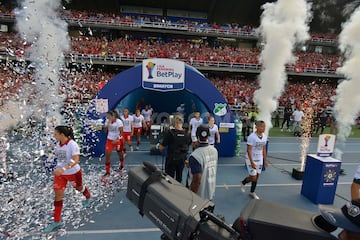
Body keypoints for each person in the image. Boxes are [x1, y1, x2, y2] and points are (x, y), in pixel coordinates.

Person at [44, 125, 91, 233]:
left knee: (79, 188)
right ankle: (56, 221)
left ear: (62, 135)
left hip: (73, 173)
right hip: (60, 174)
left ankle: (88, 196)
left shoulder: (72, 144)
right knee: (58, 195)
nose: (54, 135)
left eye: (55, 134)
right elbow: (59, 158)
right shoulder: (58, 144)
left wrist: (64, 168)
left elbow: (76, 159)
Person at [157, 115, 191, 183]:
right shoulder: (187, 134)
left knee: (169, 178)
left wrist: (158, 145)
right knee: (179, 178)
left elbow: (161, 148)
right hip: (182, 160)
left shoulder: (170, 133)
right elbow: (188, 145)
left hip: (171, 159)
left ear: (174, 123)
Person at [188, 124, 218, 200]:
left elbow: (196, 180)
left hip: (199, 196)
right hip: (210, 191)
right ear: (208, 136)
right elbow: (206, 164)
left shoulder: (195, 155)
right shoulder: (214, 151)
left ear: (197, 136)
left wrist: (192, 196)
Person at [240, 120, 268, 200]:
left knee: (257, 177)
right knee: (253, 177)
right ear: (257, 127)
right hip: (251, 159)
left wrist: (265, 160)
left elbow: (263, 148)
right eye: (262, 126)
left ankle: (252, 192)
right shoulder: (252, 137)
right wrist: (251, 162)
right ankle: (243, 182)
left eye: (264, 127)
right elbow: (248, 150)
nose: (263, 128)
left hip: (260, 159)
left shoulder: (264, 137)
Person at [103, 110, 124, 176]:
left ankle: (122, 163)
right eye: (108, 117)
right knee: (107, 155)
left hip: (117, 139)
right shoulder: (107, 121)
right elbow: (105, 132)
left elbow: (121, 133)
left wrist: (117, 140)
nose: (108, 118)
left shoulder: (119, 122)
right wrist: (107, 126)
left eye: (109, 117)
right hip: (110, 140)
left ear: (113, 117)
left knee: (119, 152)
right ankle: (107, 171)